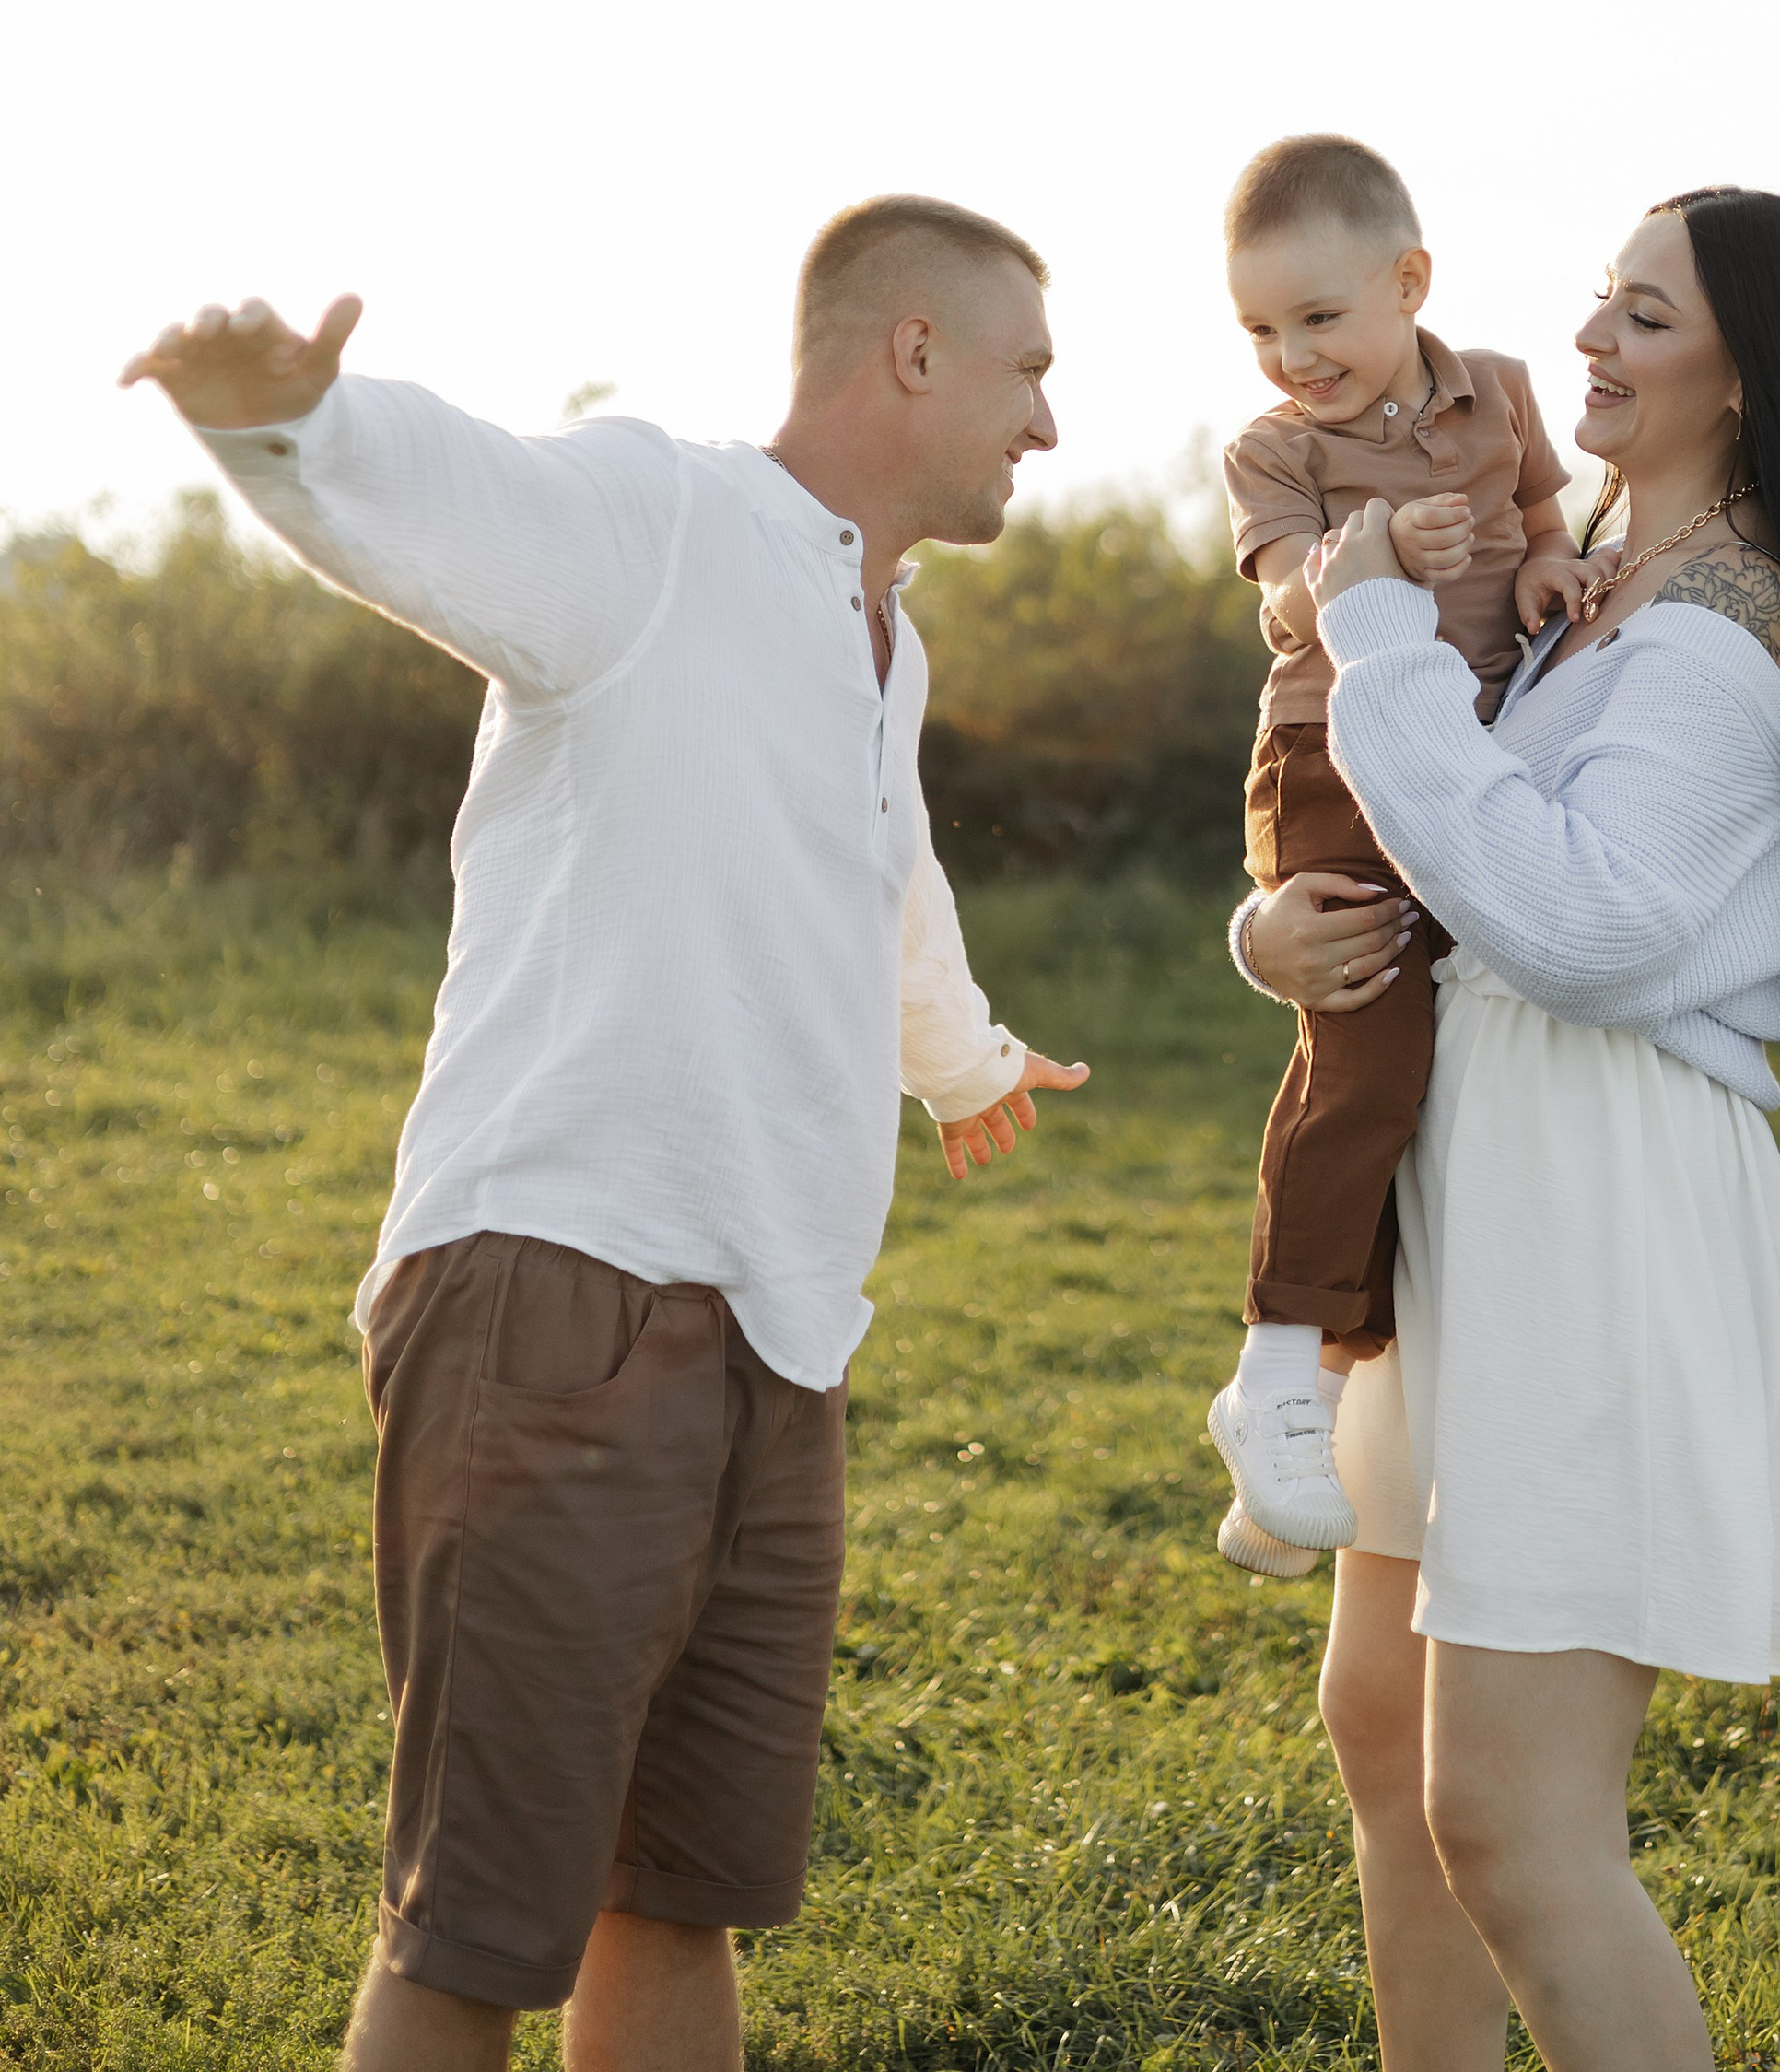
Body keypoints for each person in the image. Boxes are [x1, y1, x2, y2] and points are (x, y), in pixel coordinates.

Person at [118, 198, 1091, 2072]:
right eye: (1027, 372)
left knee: (678, 1900)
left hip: (770, 1338)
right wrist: (289, 428)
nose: (1046, 425)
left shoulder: (879, 641)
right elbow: (462, 496)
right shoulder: (667, 520)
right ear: (912, 352)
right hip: (558, 1300)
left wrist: (962, 1063)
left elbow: (877, 877)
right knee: (479, 1933)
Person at [1234, 187, 1780, 2071]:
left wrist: (1368, 648)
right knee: (1384, 1733)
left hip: (1585, 1205)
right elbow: (1444, 854)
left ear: (1746, 374)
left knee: (1514, 1827)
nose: (1592, 342)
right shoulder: (1579, 585)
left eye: (1646, 319)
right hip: (1473, 1189)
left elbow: (1595, 929)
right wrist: (1268, 932)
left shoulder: (1714, 624)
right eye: (1597, 303)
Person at [1205, 135, 1591, 1576]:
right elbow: (1291, 610)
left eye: (1317, 318)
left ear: (1408, 281)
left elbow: (1540, 516)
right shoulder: (1275, 452)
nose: (1290, 356)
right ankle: (1274, 1361)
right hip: (1333, 757)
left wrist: (1544, 561)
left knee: (1429, 1085)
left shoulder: (1496, 388)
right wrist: (1370, 553)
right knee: (1363, 1059)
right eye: (1257, 329)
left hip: (1473, 757)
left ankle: (1309, 1417)